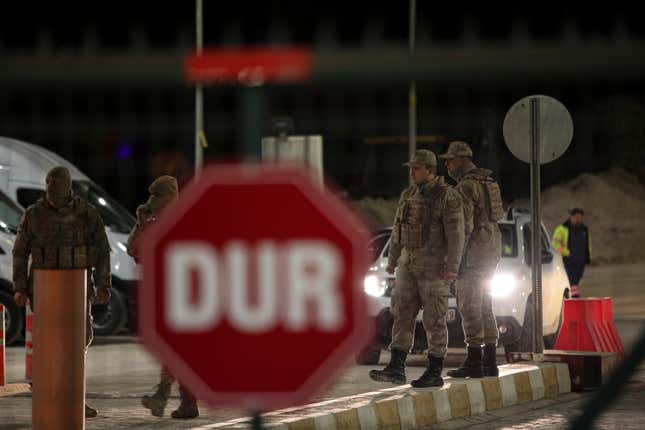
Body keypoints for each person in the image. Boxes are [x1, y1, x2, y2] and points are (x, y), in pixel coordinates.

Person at [12, 166, 111, 418]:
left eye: (55, 182)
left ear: (67, 184)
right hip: (44, 291)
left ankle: (74, 400)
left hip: (77, 290)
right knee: (48, 346)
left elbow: (101, 250)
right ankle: (51, 399)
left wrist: (103, 284)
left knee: (78, 343)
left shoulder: (86, 214)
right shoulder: (34, 214)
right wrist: (20, 287)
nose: (50, 186)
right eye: (48, 182)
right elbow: (20, 252)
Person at [369, 150, 464, 388]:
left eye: (416, 168)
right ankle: (396, 366)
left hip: (434, 269)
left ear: (430, 170)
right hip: (408, 265)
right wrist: (391, 261)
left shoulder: (446, 196)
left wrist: (452, 267)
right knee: (401, 314)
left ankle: (434, 371)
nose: (411, 172)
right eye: (411, 168)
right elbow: (398, 230)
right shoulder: (408, 194)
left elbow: (456, 235)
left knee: (434, 319)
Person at [127, 175, 199, 420]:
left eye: (157, 196)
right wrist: (141, 223)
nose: (152, 201)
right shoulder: (152, 220)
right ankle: (181, 401)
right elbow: (133, 249)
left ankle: (168, 397)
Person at [440, 141, 504, 378]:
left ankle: (474, 360)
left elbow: (462, 229)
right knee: (486, 304)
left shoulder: (465, 188)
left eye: (450, 159)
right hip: (491, 250)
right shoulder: (487, 181)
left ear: (462, 159)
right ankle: (490, 360)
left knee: (469, 305)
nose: (446, 164)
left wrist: (452, 263)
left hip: (474, 255)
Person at [552, 208, 591, 298]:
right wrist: (566, 253)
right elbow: (555, 244)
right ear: (571, 217)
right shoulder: (562, 229)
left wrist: (587, 256)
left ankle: (573, 293)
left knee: (576, 279)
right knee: (571, 279)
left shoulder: (584, 229)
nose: (579, 220)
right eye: (577, 217)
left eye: (580, 218)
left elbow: (588, 243)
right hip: (568, 259)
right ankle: (573, 296)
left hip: (580, 259)